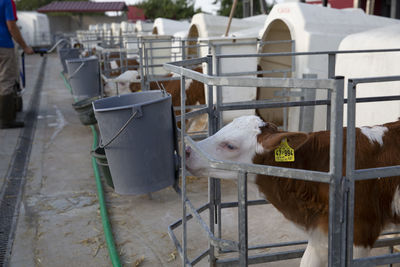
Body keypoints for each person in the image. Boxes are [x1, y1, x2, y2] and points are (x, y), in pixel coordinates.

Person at [0, 0, 34, 129]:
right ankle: (6, 120)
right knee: (6, 81)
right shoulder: (7, 1)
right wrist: (25, 47)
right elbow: (11, 26)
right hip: (3, 46)